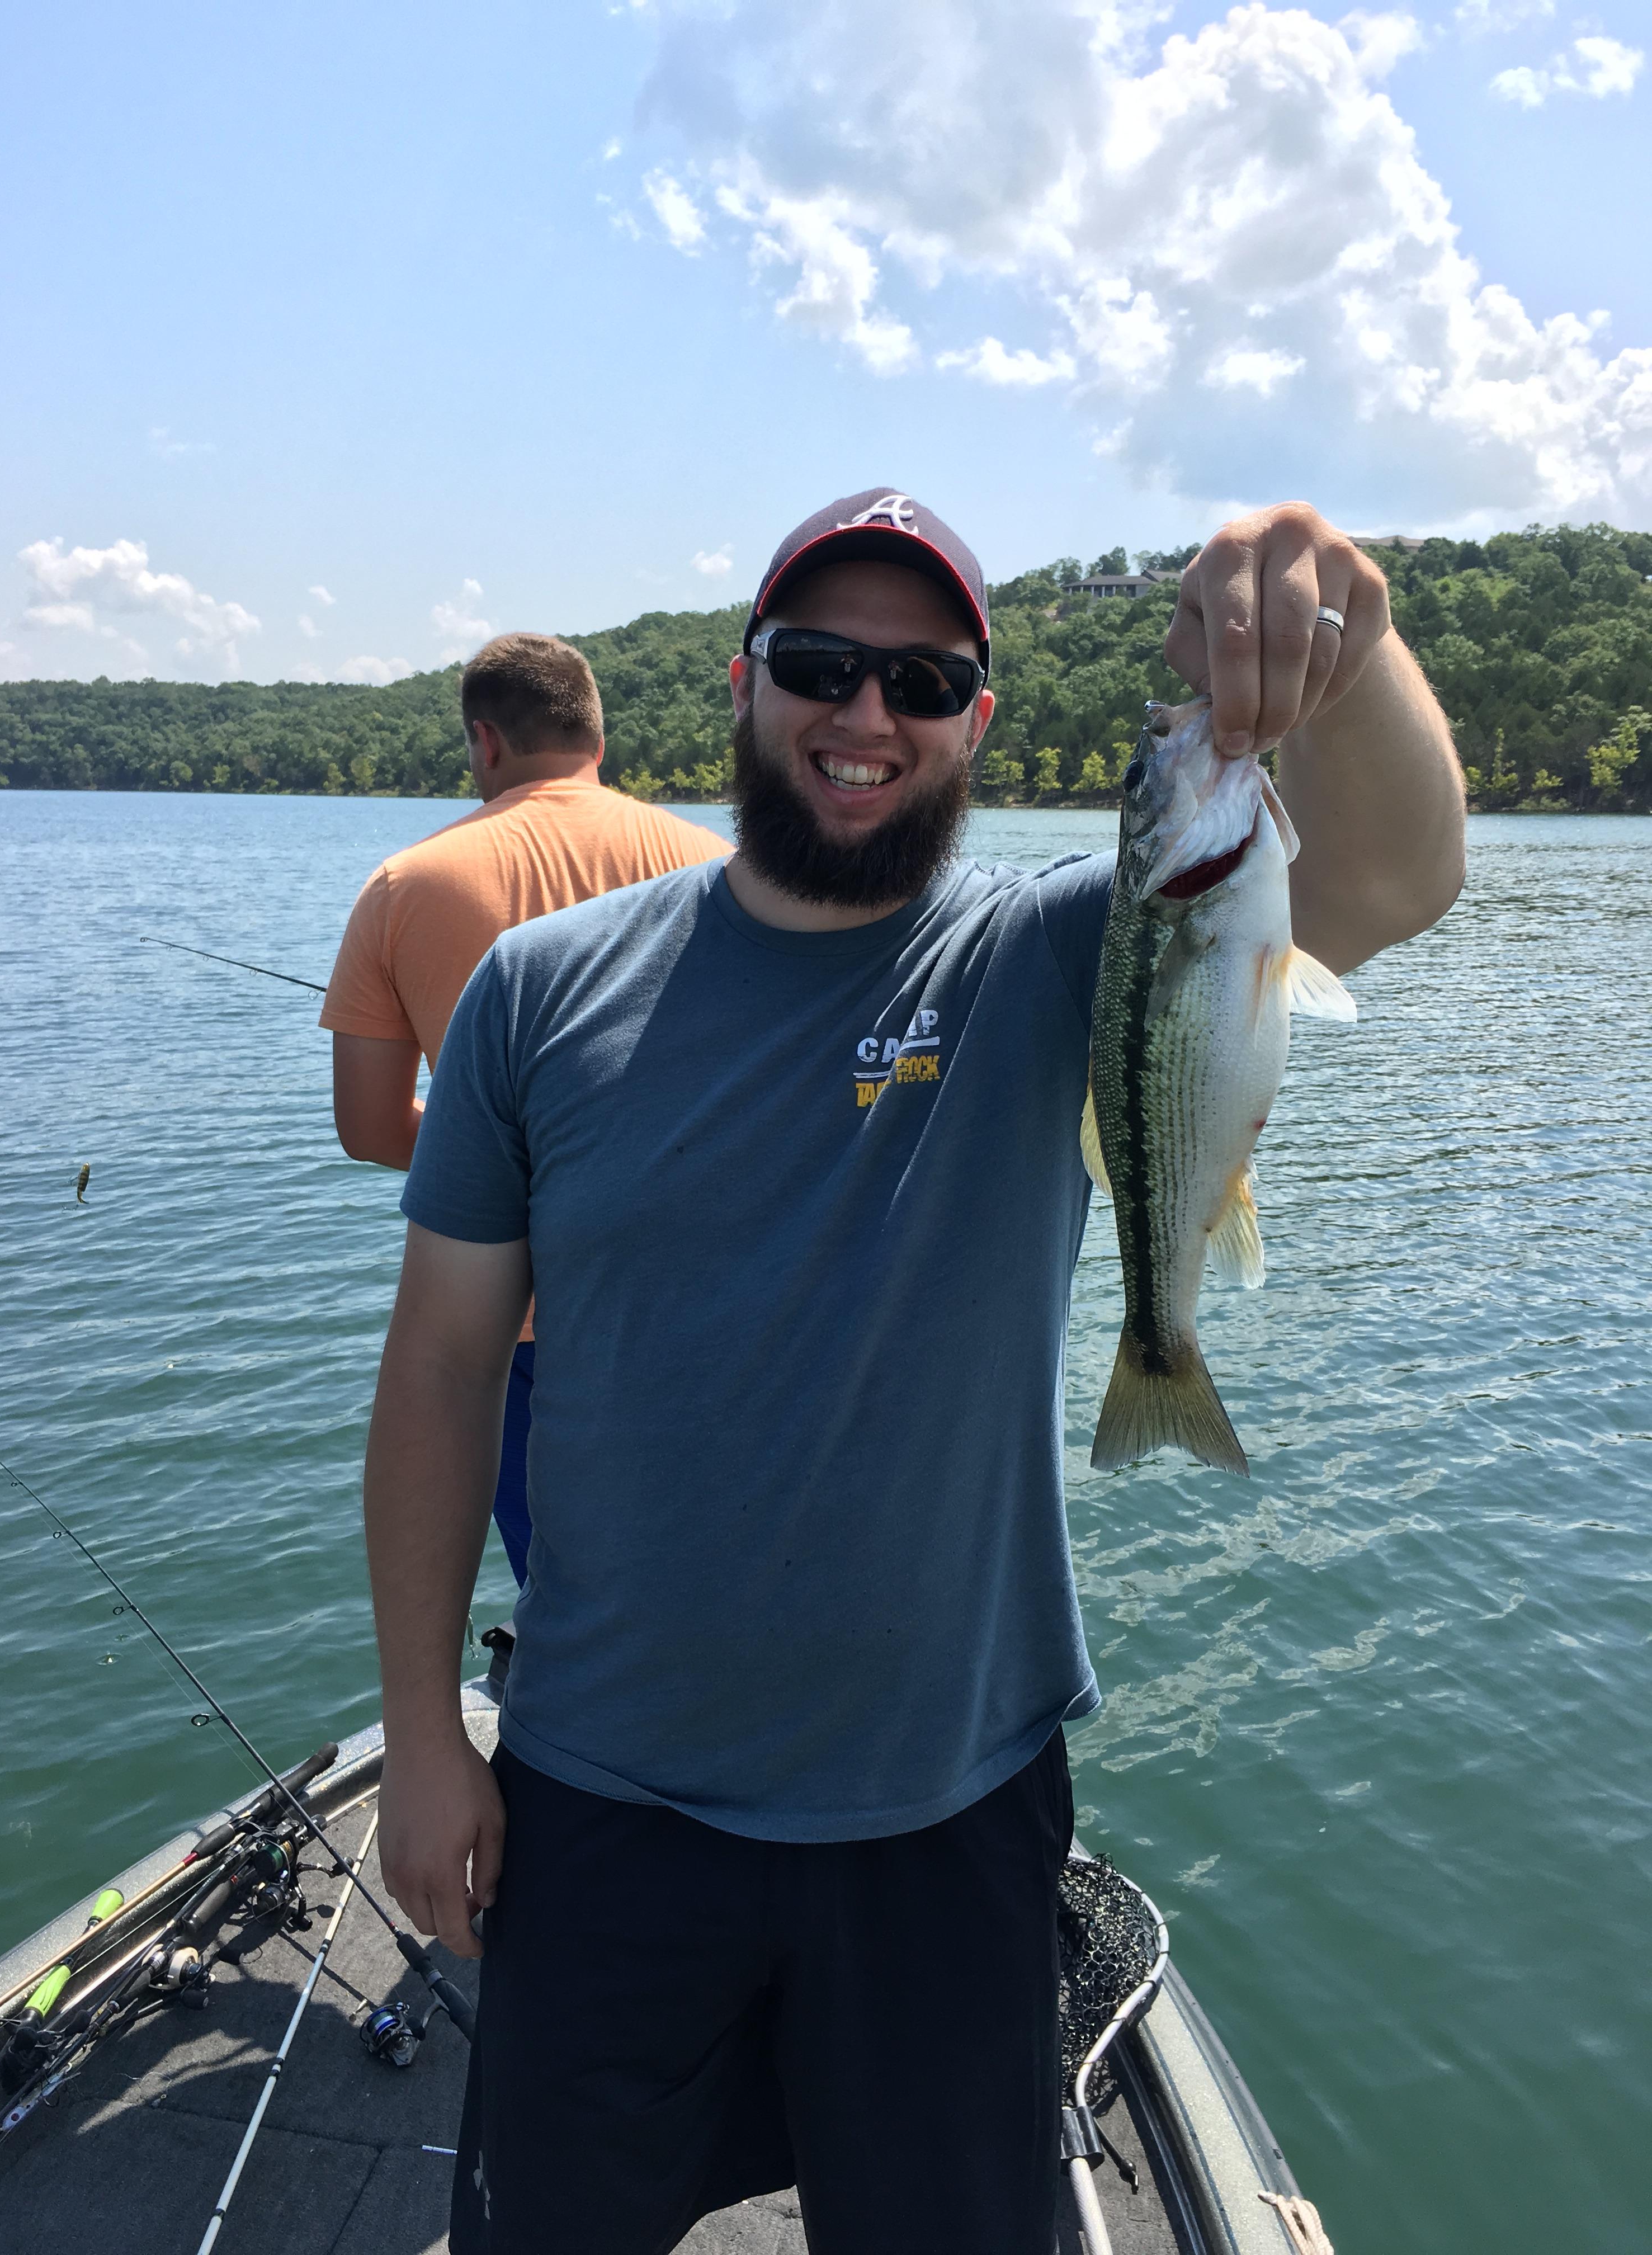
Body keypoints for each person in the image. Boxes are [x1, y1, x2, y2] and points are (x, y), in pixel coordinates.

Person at [362, 491, 1464, 2254]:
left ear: (977, 723)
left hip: (949, 1812)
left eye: (924, 679)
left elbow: (1401, 879)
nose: (867, 716)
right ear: (742, 685)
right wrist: (427, 1734)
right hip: (602, 1802)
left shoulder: (1045, 959)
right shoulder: (531, 996)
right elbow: (437, 1375)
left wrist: (1357, 635)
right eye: (821, 665)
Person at [319, 632, 728, 1581]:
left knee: (571, 1582)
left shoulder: (404, 886)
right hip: (703, 1291)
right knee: (714, 1558)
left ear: (484, 741)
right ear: (596, 735)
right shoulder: (713, 860)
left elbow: (371, 1128)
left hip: (517, 1314)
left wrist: (515, 1169)